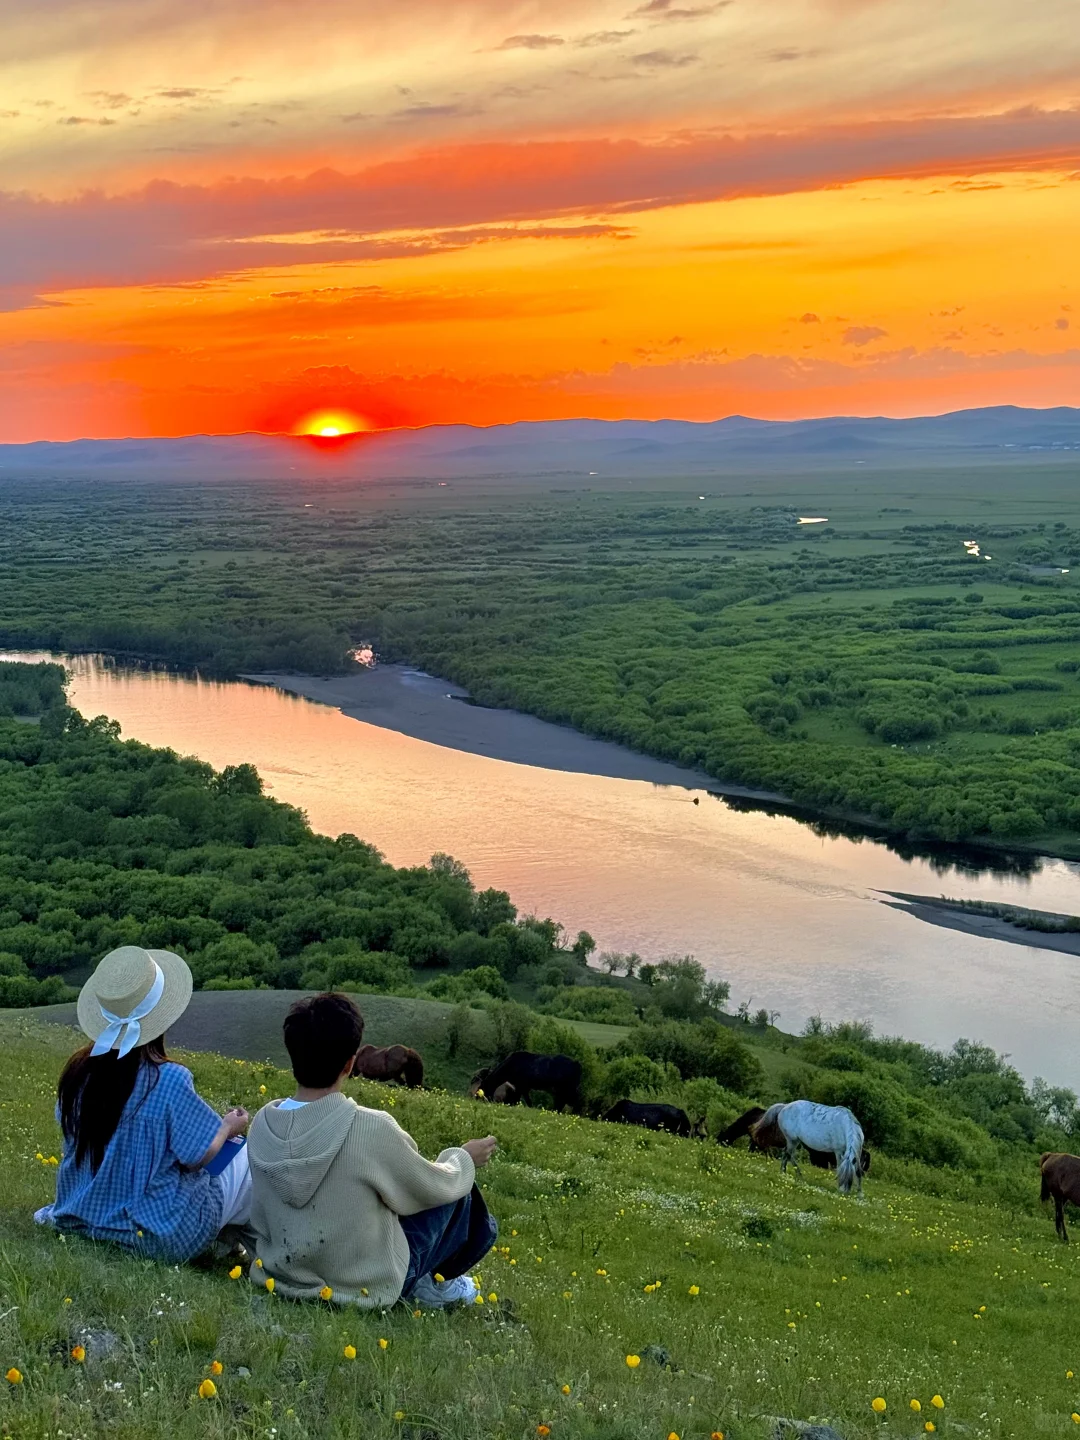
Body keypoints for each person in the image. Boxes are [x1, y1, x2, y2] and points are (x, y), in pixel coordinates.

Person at [247, 992, 497, 1309]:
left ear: (292, 1053)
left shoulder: (261, 1125)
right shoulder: (371, 1129)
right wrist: (463, 1157)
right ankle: (435, 1282)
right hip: (363, 1287)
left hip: (279, 1275)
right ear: (350, 1064)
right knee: (460, 1189)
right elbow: (436, 1186)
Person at [35, 946, 252, 1263]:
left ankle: (229, 1245)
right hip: (153, 1236)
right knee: (245, 1161)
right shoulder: (170, 1079)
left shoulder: (78, 1074)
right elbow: (197, 1157)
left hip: (78, 1217)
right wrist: (227, 1127)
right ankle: (247, 1248)